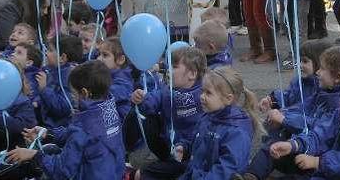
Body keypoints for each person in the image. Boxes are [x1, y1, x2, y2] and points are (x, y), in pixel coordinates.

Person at [241, 46, 340, 179]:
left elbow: (317, 127)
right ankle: (250, 176)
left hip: (315, 160)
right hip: (306, 148)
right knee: (270, 149)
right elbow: (301, 107)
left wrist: (284, 120)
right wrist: (281, 112)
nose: (317, 72)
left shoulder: (339, 104)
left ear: (338, 77)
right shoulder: (323, 92)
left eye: (322, 69)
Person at [1, 61, 125, 180]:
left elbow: (62, 170)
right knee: (50, 149)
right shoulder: (109, 109)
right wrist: (48, 133)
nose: (72, 97)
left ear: (85, 93)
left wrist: (33, 155)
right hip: (113, 174)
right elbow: (80, 138)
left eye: (73, 94)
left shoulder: (83, 127)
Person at [128, 47, 207, 179]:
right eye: (168, 66)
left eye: (174, 67)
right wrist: (141, 98)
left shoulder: (203, 94)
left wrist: (187, 147)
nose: (168, 70)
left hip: (191, 151)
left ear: (192, 74)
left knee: (142, 174)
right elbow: (154, 100)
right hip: (169, 146)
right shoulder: (168, 89)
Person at [181, 67, 262, 179]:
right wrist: (184, 148)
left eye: (208, 93)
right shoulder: (208, 117)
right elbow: (196, 141)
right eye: (202, 91)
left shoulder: (237, 132)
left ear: (228, 99)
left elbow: (226, 169)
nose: (202, 96)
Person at [36, 34, 83, 128]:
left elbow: (62, 108)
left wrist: (44, 89)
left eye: (50, 50)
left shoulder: (69, 78)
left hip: (57, 128)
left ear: (62, 58)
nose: (46, 53)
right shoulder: (50, 70)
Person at [96, 36, 136, 122]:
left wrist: (91, 90)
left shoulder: (124, 79)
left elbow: (110, 94)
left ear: (120, 60)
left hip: (120, 126)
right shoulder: (106, 74)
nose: (98, 59)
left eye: (105, 55)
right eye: (99, 54)